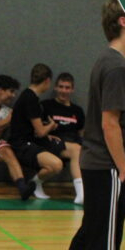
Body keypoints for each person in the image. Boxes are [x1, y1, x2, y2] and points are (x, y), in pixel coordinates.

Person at [52, 0, 125, 250]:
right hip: (107, 165)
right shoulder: (116, 66)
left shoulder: (109, 61)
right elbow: (109, 122)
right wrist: (123, 166)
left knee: (93, 228)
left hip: (98, 163)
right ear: (123, 22)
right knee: (106, 236)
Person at [8, 63, 64, 200]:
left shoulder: (29, 96)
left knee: (64, 147)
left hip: (30, 140)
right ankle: (34, 183)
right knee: (56, 165)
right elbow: (40, 132)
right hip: (21, 145)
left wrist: (47, 133)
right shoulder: (30, 99)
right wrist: (51, 125)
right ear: (47, 81)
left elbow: (33, 128)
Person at [41, 72, 86, 204]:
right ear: (55, 87)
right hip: (50, 144)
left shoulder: (78, 111)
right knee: (76, 150)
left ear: (72, 90)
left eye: (67, 88)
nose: (63, 91)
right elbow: (37, 128)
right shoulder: (45, 105)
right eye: (61, 87)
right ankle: (81, 194)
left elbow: (81, 133)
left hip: (72, 145)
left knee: (81, 149)